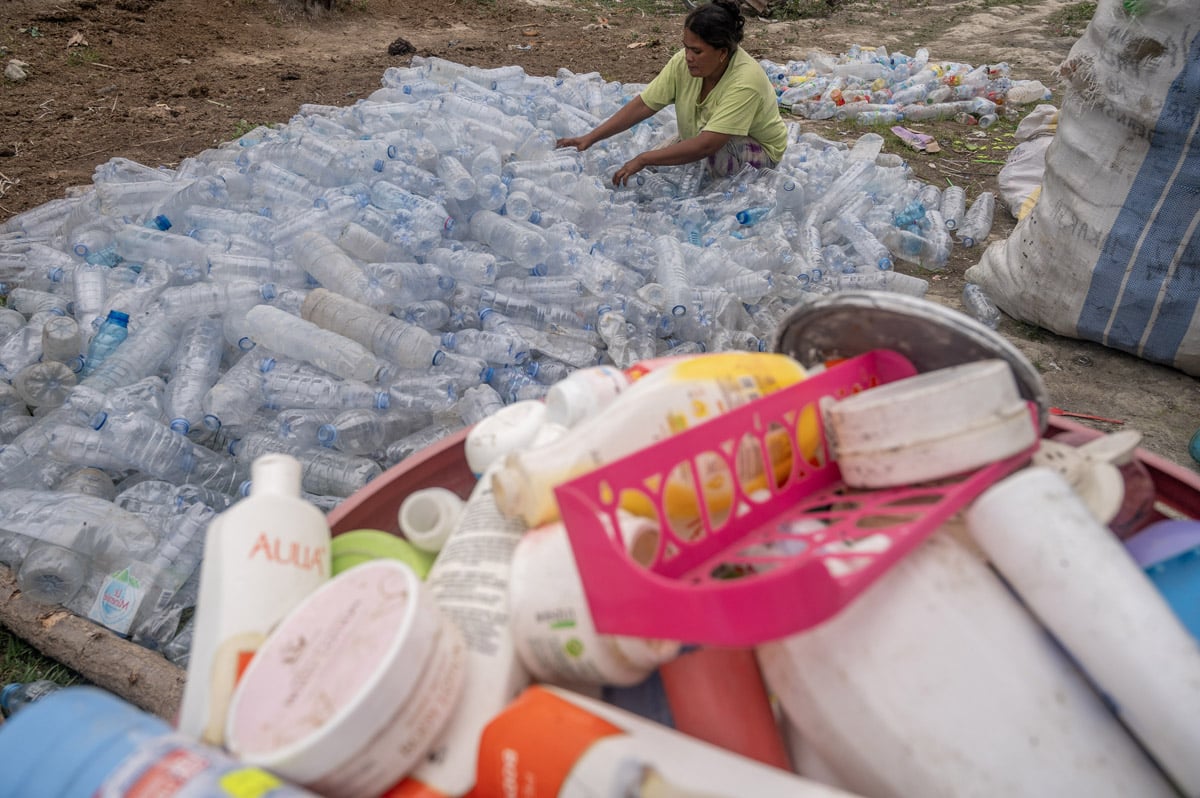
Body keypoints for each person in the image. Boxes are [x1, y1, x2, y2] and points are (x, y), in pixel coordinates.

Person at [556, 0, 788, 186]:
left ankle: (731, 194)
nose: (688, 57)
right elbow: (644, 105)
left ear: (722, 53)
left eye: (697, 51)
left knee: (708, 157)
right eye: (686, 47)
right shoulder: (683, 64)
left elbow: (707, 145)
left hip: (757, 151)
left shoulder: (745, 81)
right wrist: (591, 137)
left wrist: (643, 158)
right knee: (657, 170)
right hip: (705, 135)